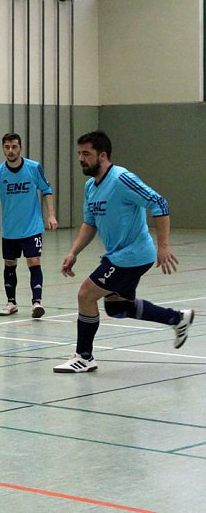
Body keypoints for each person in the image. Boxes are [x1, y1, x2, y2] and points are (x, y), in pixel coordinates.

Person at [55, 131, 194, 373]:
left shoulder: (121, 178)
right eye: (79, 153)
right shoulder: (90, 187)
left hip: (133, 255)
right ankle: (177, 319)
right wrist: (73, 252)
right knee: (118, 307)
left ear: (103, 155)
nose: (80, 158)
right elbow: (90, 224)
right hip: (119, 255)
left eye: (86, 153)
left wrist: (163, 245)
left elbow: (159, 203)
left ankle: (84, 357)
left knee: (86, 294)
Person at [0, 133, 57, 318]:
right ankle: (11, 302)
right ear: (3, 148)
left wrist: (51, 215)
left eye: (14, 146)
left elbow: (46, 190)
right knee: (9, 263)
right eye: (7, 147)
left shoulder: (33, 168)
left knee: (34, 261)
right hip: (10, 229)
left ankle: (37, 303)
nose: (11, 151)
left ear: (20, 147)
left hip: (32, 227)